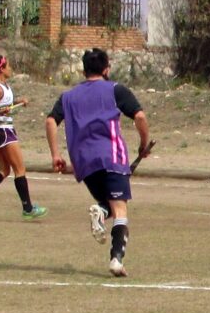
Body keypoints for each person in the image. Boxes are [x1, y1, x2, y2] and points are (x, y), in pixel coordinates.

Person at [45, 48, 150, 277]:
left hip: (84, 163)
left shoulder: (68, 96)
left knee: (109, 204)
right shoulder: (115, 89)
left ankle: (101, 212)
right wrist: (144, 144)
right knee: (120, 208)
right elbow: (140, 116)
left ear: (84, 70)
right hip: (112, 157)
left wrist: (56, 154)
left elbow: (51, 120)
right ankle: (116, 259)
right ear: (106, 69)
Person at [0, 55, 47, 220]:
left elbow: (2, 104)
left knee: (5, 170)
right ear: (2, 69)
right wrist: (0, 112)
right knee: (20, 169)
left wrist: (18, 101)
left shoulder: (4, 86)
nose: (11, 69)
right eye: (9, 66)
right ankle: (28, 208)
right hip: (1, 130)